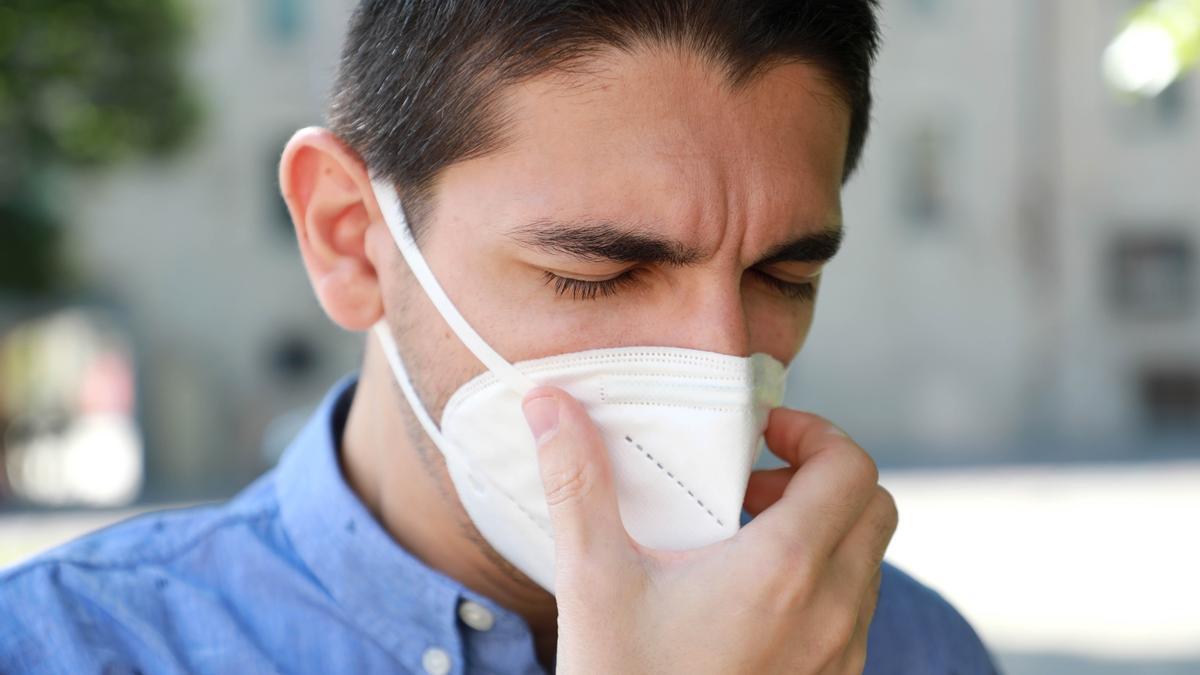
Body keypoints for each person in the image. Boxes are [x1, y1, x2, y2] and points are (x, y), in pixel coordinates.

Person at [0, 2, 997, 673]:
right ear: (351, 240)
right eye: (595, 274)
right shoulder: (64, 648)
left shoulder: (904, 646)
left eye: (786, 276)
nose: (717, 360)